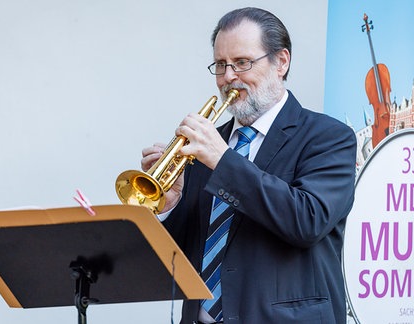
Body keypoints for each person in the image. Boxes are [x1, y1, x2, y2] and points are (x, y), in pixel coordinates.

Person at [141, 7, 356, 324]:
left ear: (281, 62)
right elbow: (180, 261)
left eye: (242, 63)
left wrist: (223, 161)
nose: (228, 77)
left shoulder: (329, 137)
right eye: (221, 65)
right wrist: (169, 204)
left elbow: (307, 221)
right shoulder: (207, 147)